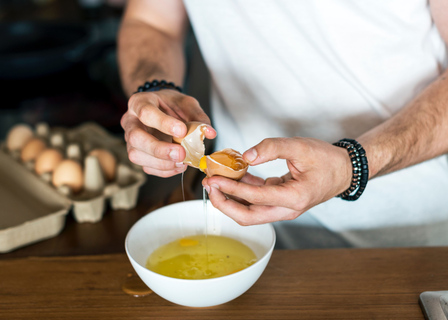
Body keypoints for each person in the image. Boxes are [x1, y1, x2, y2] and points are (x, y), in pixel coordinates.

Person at [118, 0, 448, 249]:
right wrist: (154, 90)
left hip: (407, 236)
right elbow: (151, 22)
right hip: (245, 220)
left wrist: (354, 164)